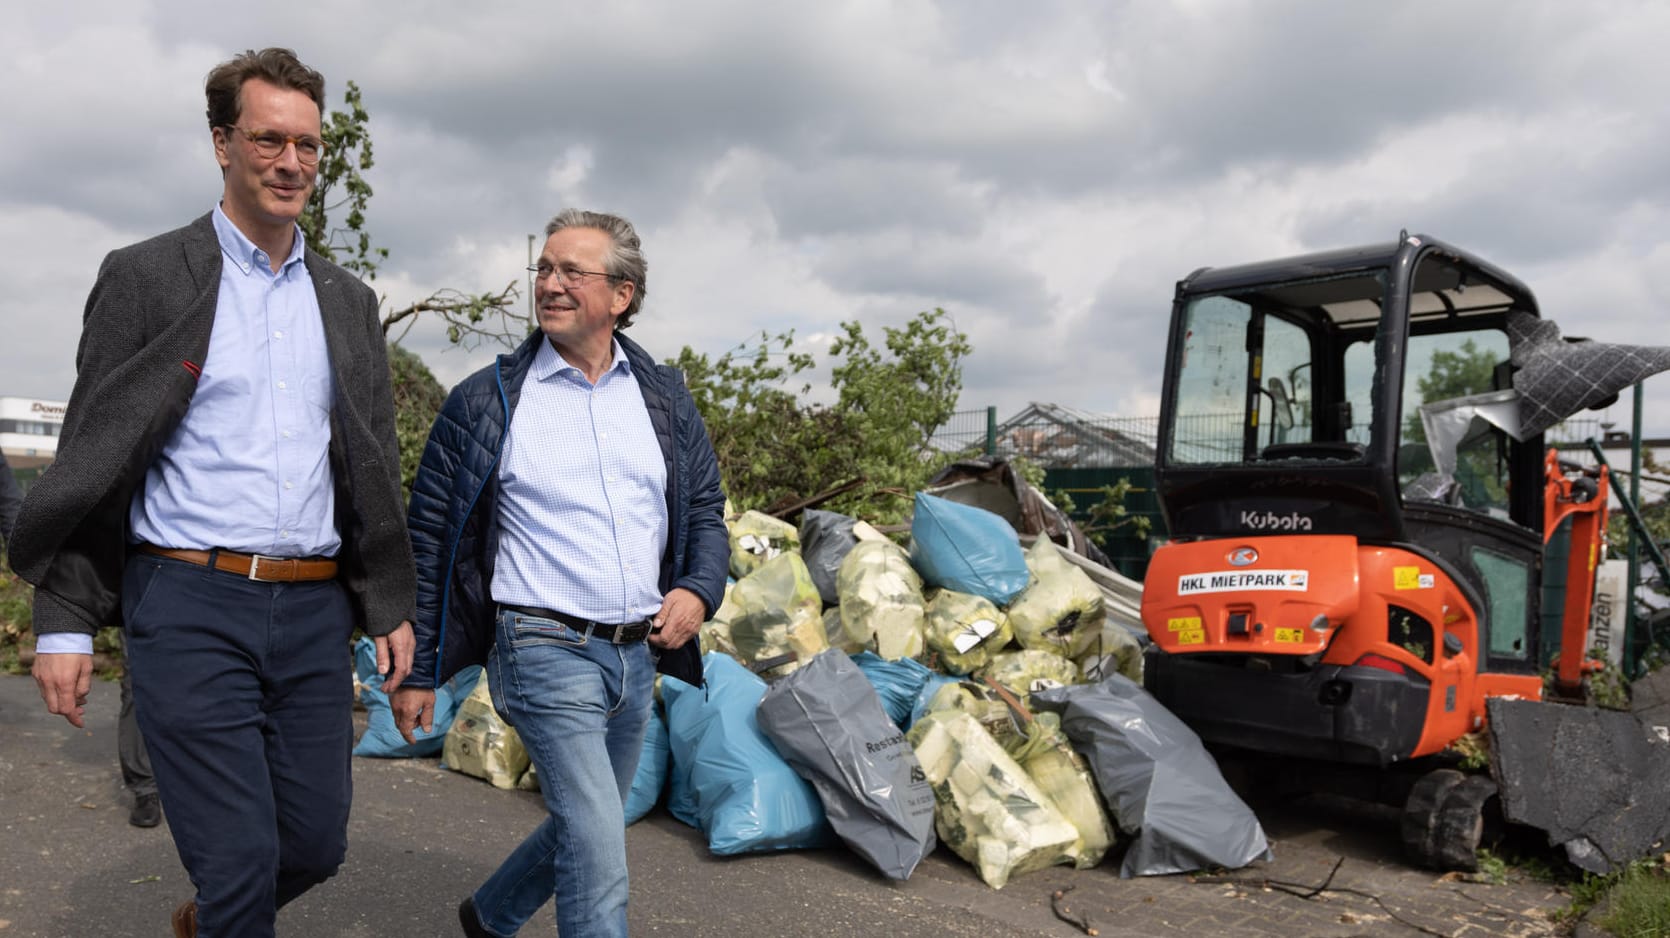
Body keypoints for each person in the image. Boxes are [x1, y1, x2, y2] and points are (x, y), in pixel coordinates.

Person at [8, 48, 416, 938]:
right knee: (239, 866)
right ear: (223, 144)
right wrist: (66, 620)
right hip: (188, 601)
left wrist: (390, 601)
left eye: (308, 145)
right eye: (269, 139)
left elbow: (372, 463)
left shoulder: (347, 301)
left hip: (312, 614)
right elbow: (93, 456)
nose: (292, 162)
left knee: (314, 847)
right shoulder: (148, 277)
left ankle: (213, 921)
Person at [394, 209, 728, 938]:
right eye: (543, 270)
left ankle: (490, 915)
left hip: (637, 653)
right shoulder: (487, 401)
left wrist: (698, 588)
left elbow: (704, 509)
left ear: (622, 295)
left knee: (589, 824)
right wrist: (419, 670)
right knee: (601, 848)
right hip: (540, 645)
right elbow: (430, 540)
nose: (549, 284)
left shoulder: (663, 399)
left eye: (572, 272)